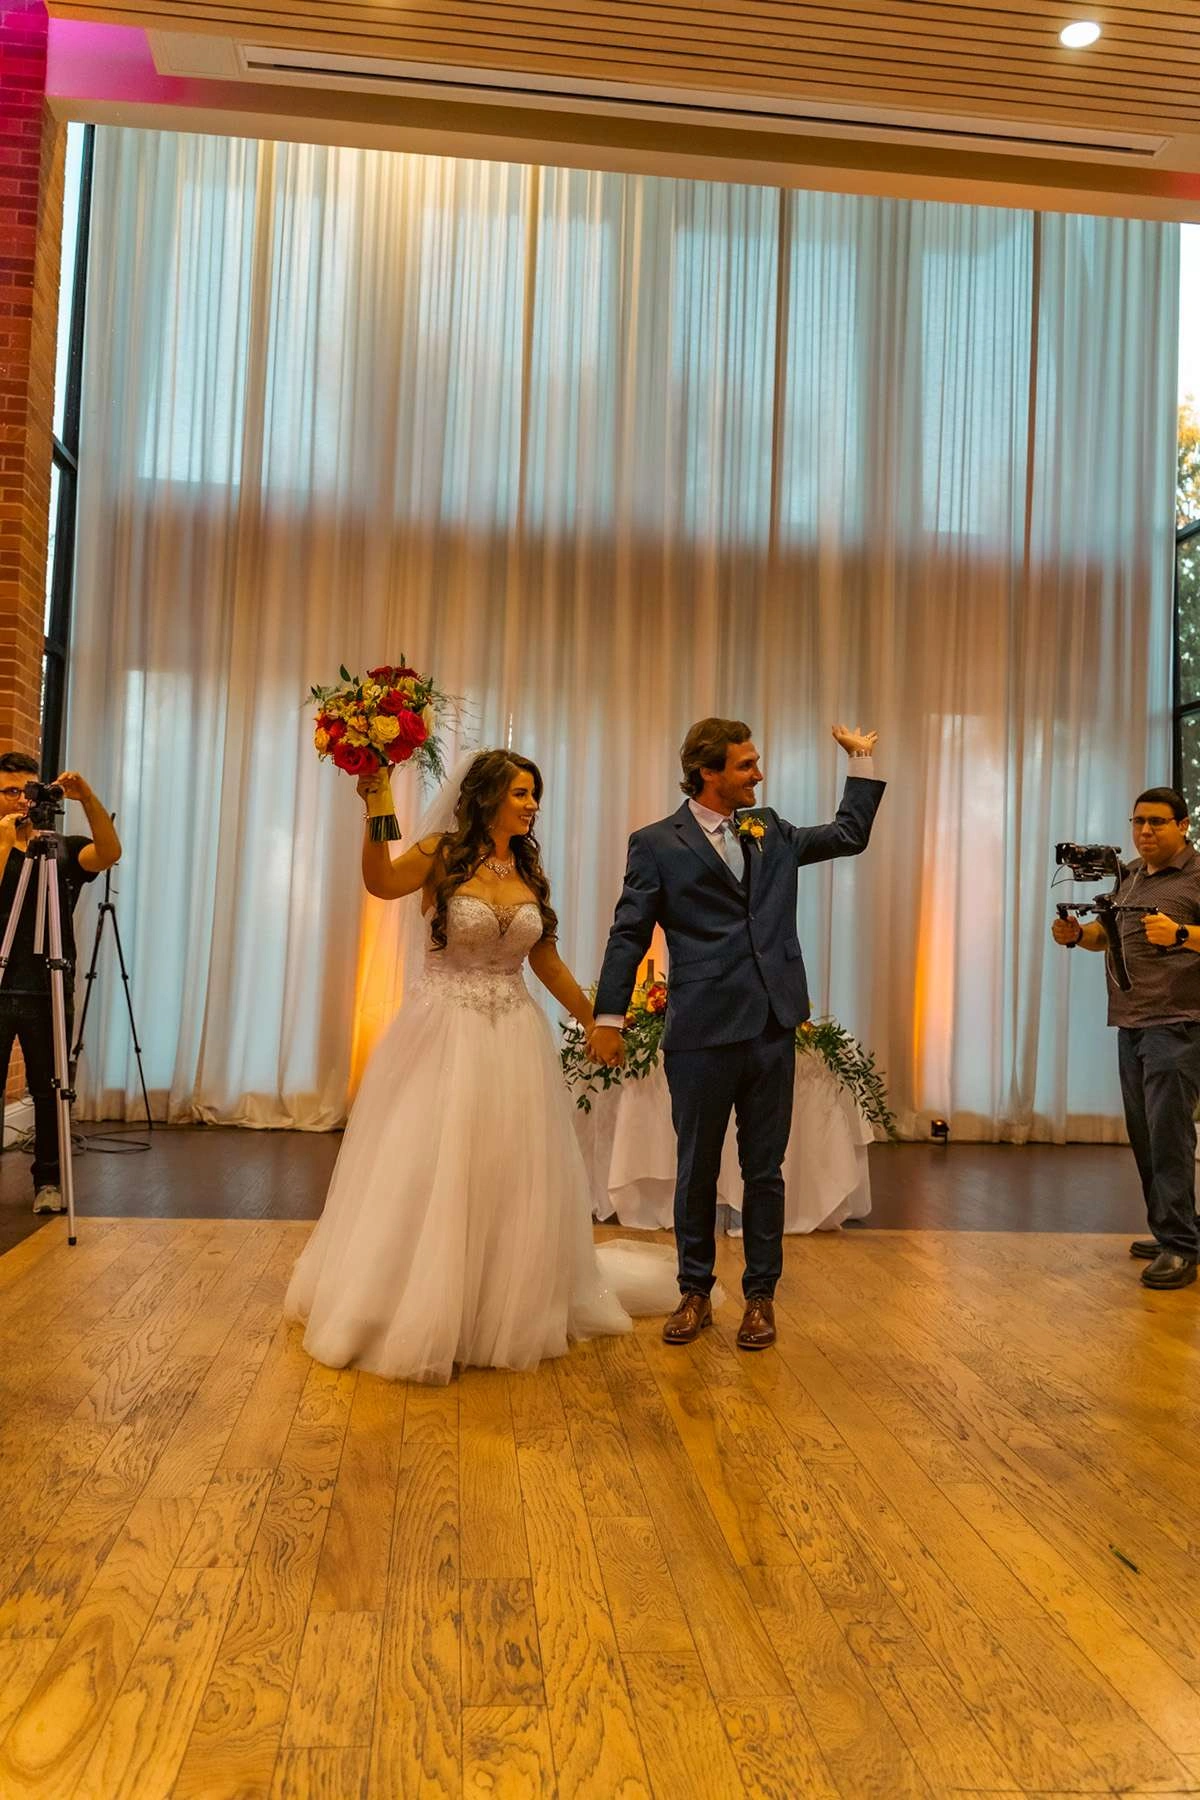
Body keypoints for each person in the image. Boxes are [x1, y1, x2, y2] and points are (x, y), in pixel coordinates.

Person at [285, 749, 677, 1385]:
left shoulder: (527, 869)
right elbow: (381, 882)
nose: (532, 805)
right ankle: (413, 1303)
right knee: (431, 1163)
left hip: (513, 1035)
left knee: (507, 1169)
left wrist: (596, 1021)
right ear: (489, 796)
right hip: (443, 1028)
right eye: (521, 793)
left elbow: (545, 961)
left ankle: (500, 1303)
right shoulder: (441, 852)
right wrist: (375, 812)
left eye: (534, 794)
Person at [590, 718, 884, 1351]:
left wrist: (859, 764)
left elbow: (848, 835)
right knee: (695, 1168)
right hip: (700, 1028)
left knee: (765, 1170)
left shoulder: (769, 828)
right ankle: (694, 1291)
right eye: (746, 765)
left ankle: (760, 1297)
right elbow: (629, 933)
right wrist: (608, 1018)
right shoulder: (655, 844)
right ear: (708, 773)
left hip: (772, 1024)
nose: (759, 774)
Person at [1051, 786, 1200, 1290]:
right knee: (1145, 1136)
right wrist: (1079, 936)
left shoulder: (1197, 875)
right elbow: (1106, 935)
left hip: (1179, 1023)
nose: (1146, 831)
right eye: (1139, 822)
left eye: (1157, 822)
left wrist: (1182, 934)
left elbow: (1185, 936)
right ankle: (1172, 1229)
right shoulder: (1130, 876)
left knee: (1170, 1136)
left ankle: (1180, 1247)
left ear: (1183, 825)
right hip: (1131, 1022)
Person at [0, 753, 122, 1212]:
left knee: (50, 1088)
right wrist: (6, 840)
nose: (22, 799)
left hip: (47, 986)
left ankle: (48, 1182)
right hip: (1, 982)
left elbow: (109, 853)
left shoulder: (61, 850)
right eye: (10, 791)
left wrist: (86, 798)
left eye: (29, 790)